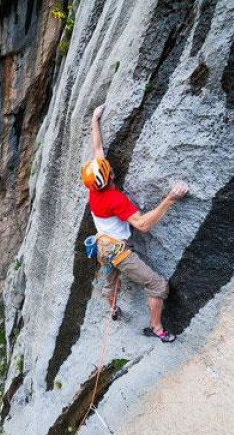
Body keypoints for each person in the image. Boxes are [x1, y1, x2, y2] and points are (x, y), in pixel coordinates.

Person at [82, 104, 189, 342]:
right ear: (110, 175)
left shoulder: (94, 189)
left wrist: (95, 121)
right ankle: (157, 329)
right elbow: (142, 225)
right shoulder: (115, 199)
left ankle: (113, 309)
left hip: (103, 247)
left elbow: (97, 149)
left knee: (110, 283)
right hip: (118, 250)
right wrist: (170, 199)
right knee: (158, 286)